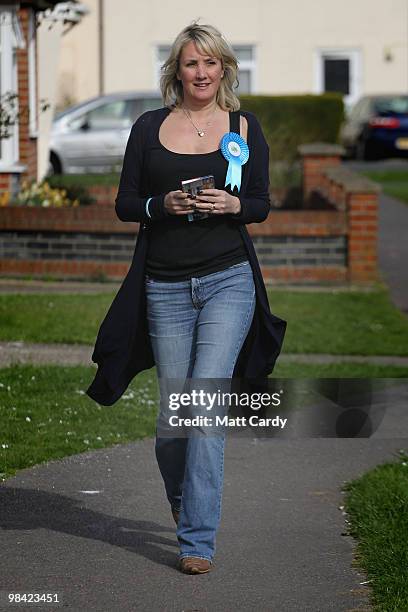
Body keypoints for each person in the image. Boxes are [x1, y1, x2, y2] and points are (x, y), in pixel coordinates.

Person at [86, 22, 286, 575]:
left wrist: (233, 207)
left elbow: (262, 202)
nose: (202, 72)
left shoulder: (244, 126)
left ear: (224, 68)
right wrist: (161, 205)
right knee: (172, 425)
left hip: (228, 279)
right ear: (177, 70)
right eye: (191, 63)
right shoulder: (149, 127)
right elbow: (127, 203)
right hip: (165, 287)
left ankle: (197, 541)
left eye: (211, 63)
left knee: (203, 403)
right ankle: (185, 507)